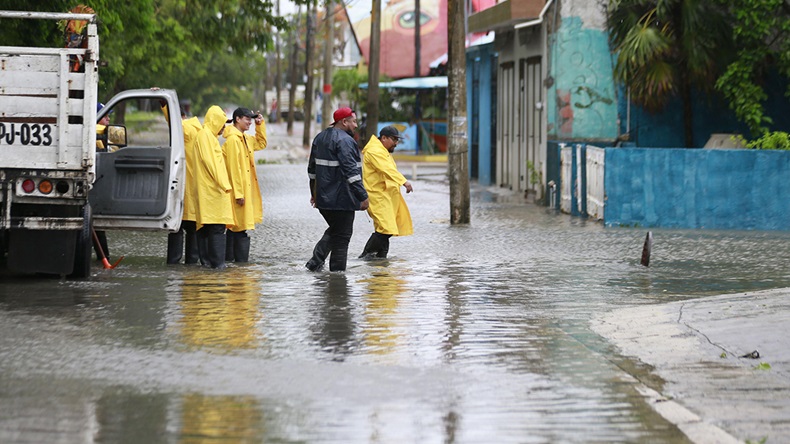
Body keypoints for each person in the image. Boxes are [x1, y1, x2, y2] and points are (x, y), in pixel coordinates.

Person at [306, 107, 369, 272]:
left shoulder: (320, 138)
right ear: (344, 122)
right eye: (353, 121)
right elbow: (351, 172)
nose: (355, 125)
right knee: (342, 237)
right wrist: (362, 196)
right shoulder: (346, 141)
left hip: (324, 199)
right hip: (342, 199)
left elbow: (312, 170)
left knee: (336, 230)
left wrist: (314, 193)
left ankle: (316, 263)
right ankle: (337, 277)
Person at [358, 125, 413, 259]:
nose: (396, 143)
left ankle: (381, 259)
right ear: (383, 138)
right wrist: (404, 181)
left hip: (386, 196)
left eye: (397, 140)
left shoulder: (382, 150)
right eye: (394, 139)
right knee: (386, 228)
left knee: (385, 229)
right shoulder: (375, 151)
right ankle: (367, 255)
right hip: (377, 196)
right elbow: (387, 169)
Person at [222, 107, 267, 263]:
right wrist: (238, 194)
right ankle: (236, 263)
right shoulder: (233, 140)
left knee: (239, 227)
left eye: (251, 119)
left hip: (245, 191)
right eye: (247, 119)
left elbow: (261, 143)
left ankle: (234, 265)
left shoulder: (245, 139)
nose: (250, 122)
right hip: (238, 193)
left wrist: (260, 125)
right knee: (237, 227)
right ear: (237, 119)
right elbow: (234, 169)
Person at [194, 105, 234, 269]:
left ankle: (208, 267)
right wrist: (225, 185)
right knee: (217, 227)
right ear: (215, 121)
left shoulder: (208, 136)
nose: (223, 128)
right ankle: (217, 266)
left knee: (207, 227)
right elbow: (212, 164)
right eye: (222, 123)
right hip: (213, 190)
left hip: (210, 190)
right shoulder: (205, 137)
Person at [166, 106, 203, 264]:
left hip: (182, 187)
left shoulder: (185, 128)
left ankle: (173, 264)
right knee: (193, 229)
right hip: (194, 188)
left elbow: (172, 122)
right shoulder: (198, 129)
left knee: (176, 228)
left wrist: (163, 104)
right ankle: (191, 265)